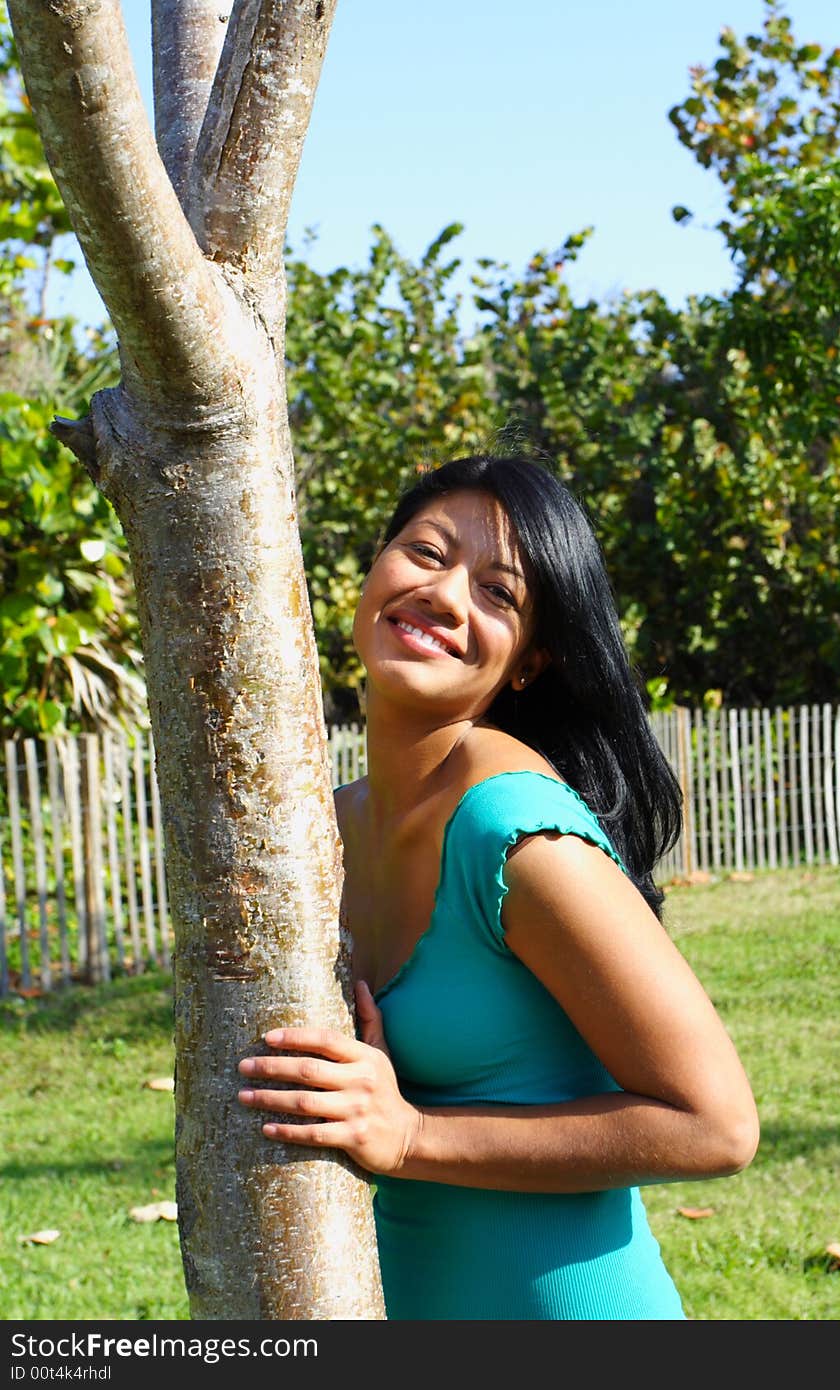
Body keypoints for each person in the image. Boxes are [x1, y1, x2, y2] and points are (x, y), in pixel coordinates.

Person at [237, 453, 760, 1320]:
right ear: (374, 571)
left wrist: (411, 1136)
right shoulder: (323, 829)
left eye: (498, 594)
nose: (444, 595)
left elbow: (718, 1126)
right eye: (427, 552)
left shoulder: (513, 830)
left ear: (528, 662)